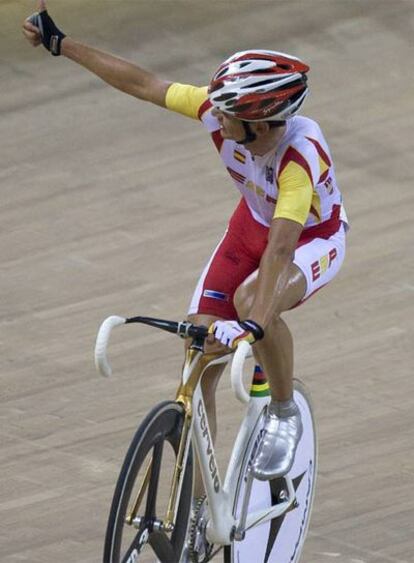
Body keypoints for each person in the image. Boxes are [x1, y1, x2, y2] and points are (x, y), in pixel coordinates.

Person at [23, 1, 348, 483]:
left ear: (259, 122)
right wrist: (62, 43)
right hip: (250, 227)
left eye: (227, 113)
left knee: (250, 302)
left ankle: (282, 411)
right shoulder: (220, 114)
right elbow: (143, 83)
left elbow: (281, 249)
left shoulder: (300, 157)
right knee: (197, 360)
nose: (214, 115)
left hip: (311, 239)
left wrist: (252, 327)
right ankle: (197, 512)